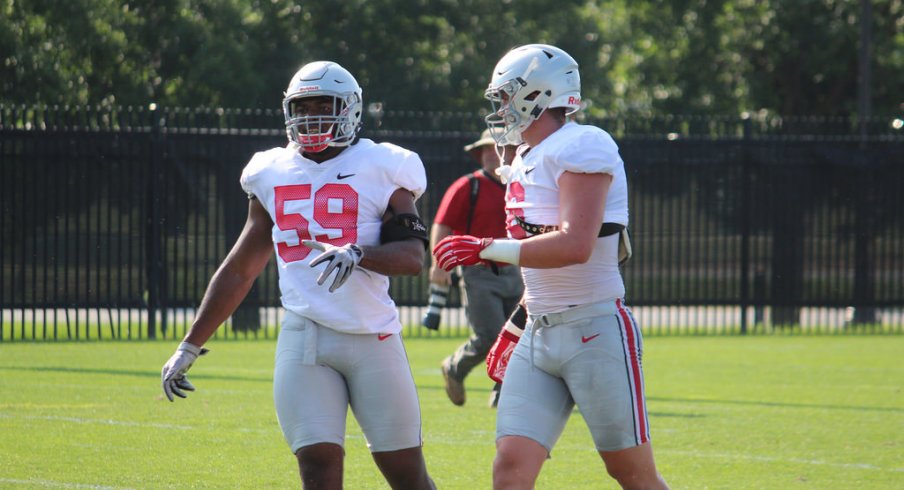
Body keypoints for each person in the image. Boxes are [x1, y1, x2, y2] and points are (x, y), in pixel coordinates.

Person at [160, 60, 435, 490]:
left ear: (351, 109)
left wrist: (360, 253)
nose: (312, 117)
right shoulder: (270, 171)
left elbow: (414, 257)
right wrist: (190, 344)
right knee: (317, 467)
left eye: (324, 105)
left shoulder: (384, 165)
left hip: (373, 337)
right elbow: (241, 267)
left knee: (405, 475)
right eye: (303, 107)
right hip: (304, 336)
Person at [433, 44, 669, 489]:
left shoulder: (583, 143)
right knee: (510, 468)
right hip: (540, 330)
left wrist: (486, 248)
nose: (500, 109)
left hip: (594, 329)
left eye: (505, 97)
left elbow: (575, 245)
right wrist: (518, 323)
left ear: (536, 94)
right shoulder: (524, 158)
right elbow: (539, 261)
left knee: (633, 475)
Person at [428, 128, 524, 407]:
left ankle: (502, 392)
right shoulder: (467, 186)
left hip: (514, 268)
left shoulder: (518, 185)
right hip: (477, 271)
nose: (494, 154)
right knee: (490, 335)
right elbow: (442, 225)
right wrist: (439, 265)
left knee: (518, 336)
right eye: (488, 149)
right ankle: (455, 367)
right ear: (480, 154)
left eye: (499, 148)